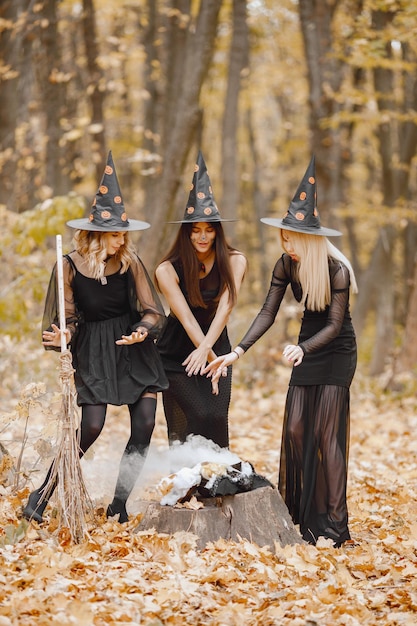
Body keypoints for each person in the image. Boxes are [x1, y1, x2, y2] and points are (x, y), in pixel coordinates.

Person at [204, 156, 358, 547]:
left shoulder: (336, 270)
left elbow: (335, 326)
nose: (286, 245)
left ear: (308, 237)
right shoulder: (285, 266)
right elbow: (267, 311)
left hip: (335, 349)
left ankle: (336, 527)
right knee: (295, 429)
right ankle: (306, 519)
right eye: (283, 238)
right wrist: (237, 352)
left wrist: (303, 348)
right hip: (305, 345)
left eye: (291, 238)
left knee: (327, 436)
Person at [23, 151, 168, 524]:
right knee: (90, 427)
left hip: (133, 350)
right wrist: (63, 336)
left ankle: (119, 505)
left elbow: (153, 310)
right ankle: (41, 495)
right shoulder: (68, 265)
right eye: (115, 234)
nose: (121, 241)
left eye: (124, 234)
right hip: (94, 351)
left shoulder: (131, 262)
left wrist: (142, 331)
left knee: (146, 425)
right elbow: (69, 318)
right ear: (95, 233)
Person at [154, 151, 247, 449]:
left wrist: (213, 358)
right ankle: (188, 484)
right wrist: (204, 354)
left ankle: (218, 482)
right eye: (196, 231)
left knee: (217, 417)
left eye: (209, 230)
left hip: (216, 346)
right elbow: (186, 318)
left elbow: (225, 310)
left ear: (218, 232)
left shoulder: (235, 261)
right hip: (176, 352)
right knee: (195, 415)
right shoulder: (167, 269)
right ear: (186, 233)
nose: (202, 237)